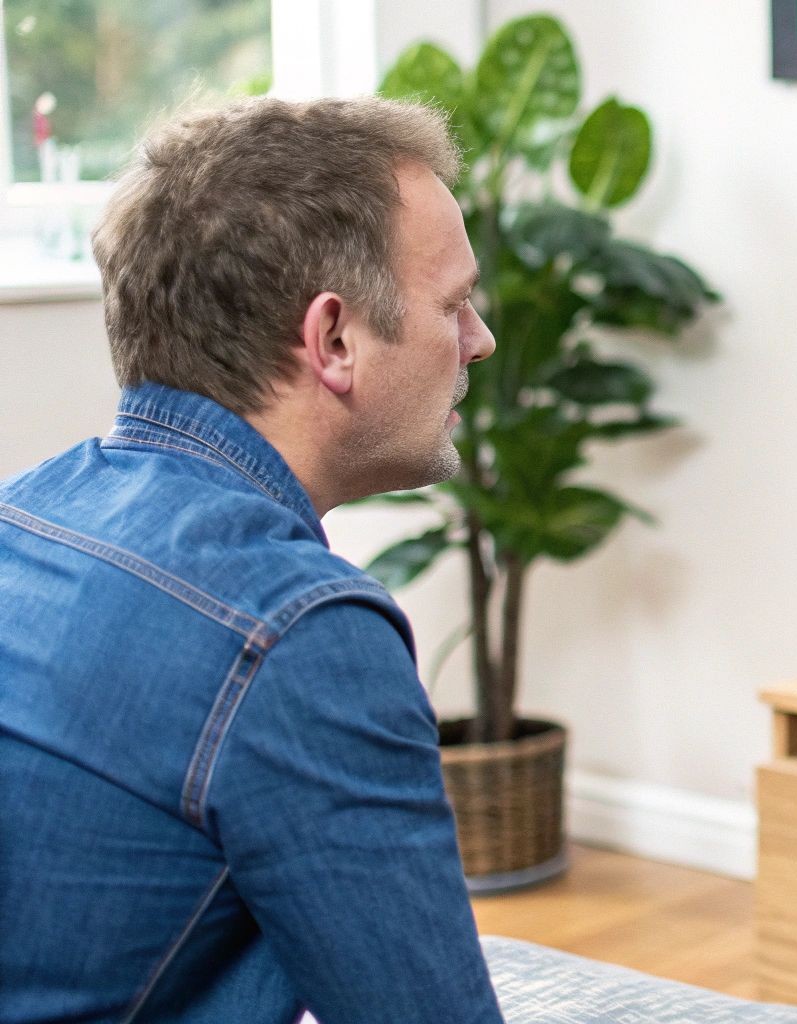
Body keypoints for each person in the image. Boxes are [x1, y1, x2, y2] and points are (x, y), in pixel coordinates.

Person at [0, 98, 504, 1022]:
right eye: (453, 304)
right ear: (335, 340)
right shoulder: (299, 634)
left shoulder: (25, 513)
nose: (479, 340)